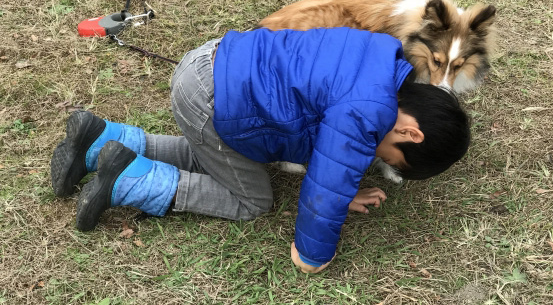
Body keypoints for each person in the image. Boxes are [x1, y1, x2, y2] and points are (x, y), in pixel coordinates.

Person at [51, 27, 470, 273]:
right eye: (386, 155)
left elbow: (329, 149)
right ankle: (128, 180)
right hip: (213, 99)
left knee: (218, 158)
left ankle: (101, 141)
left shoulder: (380, 62)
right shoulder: (369, 111)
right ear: (411, 132)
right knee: (251, 199)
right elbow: (329, 180)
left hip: (211, 65)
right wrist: (311, 255)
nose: (374, 156)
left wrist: (347, 187)